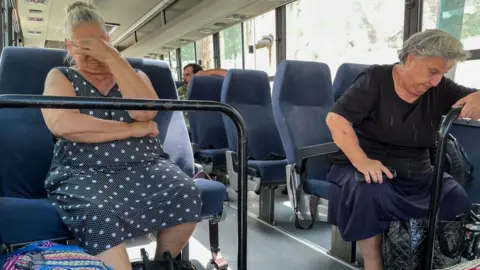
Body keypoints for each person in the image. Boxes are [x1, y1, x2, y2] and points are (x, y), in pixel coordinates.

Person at [41, 2, 202, 270]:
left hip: (145, 165)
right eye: (85, 46)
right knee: (98, 214)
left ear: (109, 40)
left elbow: (145, 111)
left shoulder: (133, 74)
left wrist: (114, 58)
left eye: (101, 42)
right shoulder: (61, 77)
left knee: (186, 192)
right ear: (70, 47)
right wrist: (130, 130)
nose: (95, 53)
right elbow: (64, 124)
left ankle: (162, 264)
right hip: (84, 171)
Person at [326, 29, 480, 270]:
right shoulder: (375, 80)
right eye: (432, 71)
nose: (436, 81)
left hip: (418, 172)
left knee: (454, 196)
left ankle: (436, 261)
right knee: (370, 193)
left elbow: (472, 97)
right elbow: (336, 120)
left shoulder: (438, 87)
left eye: (442, 74)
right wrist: (363, 161)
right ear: (410, 59)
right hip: (367, 165)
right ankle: (373, 263)